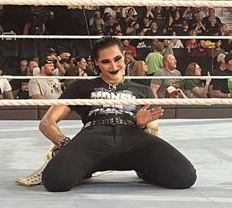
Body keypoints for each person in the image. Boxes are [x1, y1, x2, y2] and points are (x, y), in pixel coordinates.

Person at [39, 37, 197, 192]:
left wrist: (140, 124)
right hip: (94, 137)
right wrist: (65, 144)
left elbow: (154, 126)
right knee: (55, 181)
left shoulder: (143, 90)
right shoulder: (81, 86)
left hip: (132, 135)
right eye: (106, 62)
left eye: (117, 59)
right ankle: (85, 167)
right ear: (96, 63)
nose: (114, 66)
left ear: (125, 57)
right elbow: (47, 122)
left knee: (185, 176)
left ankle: (144, 168)